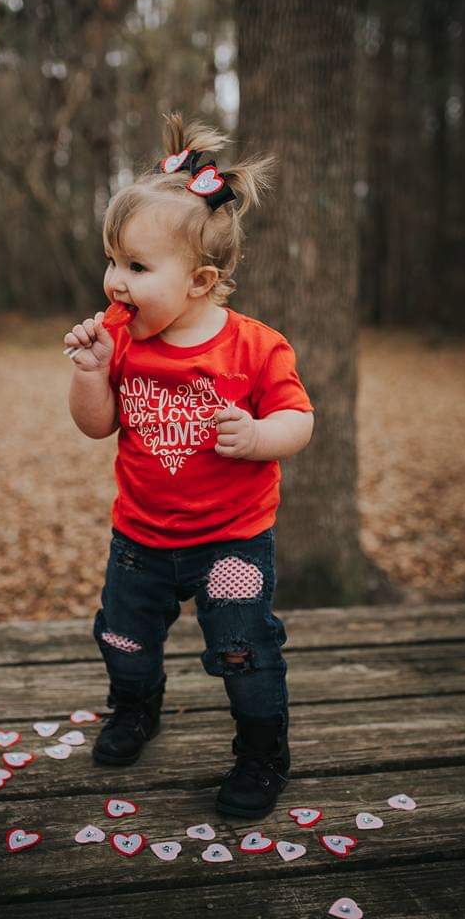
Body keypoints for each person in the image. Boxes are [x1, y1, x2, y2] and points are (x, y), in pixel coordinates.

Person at [63, 112, 314, 819]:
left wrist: (261, 436)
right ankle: (137, 708)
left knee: (242, 649)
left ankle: (263, 750)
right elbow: (96, 426)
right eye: (112, 261)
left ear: (201, 280)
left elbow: (300, 420)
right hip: (139, 541)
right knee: (123, 637)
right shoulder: (126, 346)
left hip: (230, 541)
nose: (115, 281)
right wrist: (91, 371)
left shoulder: (256, 349)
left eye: (137, 268)